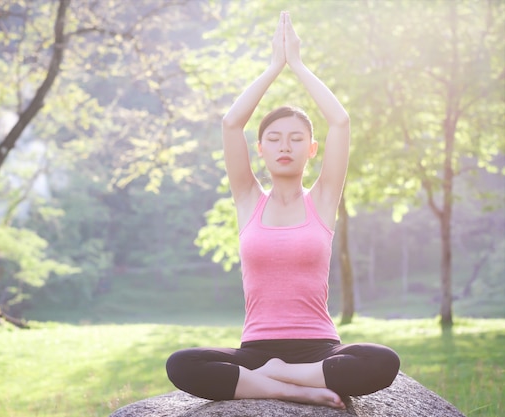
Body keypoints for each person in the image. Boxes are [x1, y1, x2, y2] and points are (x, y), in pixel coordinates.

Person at [166, 11, 400, 410]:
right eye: (273, 138)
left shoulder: (323, 200)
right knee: (182, 364)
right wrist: (274, 66)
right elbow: (230, 123)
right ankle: (287, 387)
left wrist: (299, 66)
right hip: (255, 349)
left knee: (382, 361)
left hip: (319, 351)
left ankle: (279, 377)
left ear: (312, 149)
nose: (284, 145)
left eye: (296, 138)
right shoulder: (248, 201)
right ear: (261, 149)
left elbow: (340, 121)